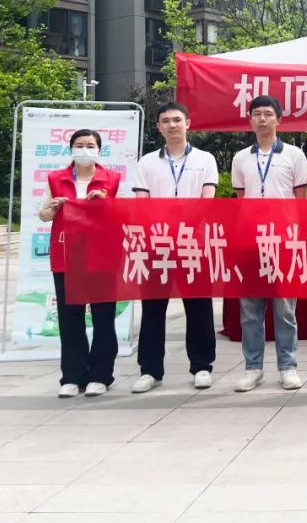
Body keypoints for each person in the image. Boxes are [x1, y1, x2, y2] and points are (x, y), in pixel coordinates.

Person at [130, 102, 219, 393]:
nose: (172, 125)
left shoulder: (205, 159)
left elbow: (207, 200)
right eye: (166, 121)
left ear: (188, 123)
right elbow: (142, 203)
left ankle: (202, 366)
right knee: (153, 308)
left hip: (194, 243)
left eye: (177, 120)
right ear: (158, 127)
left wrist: (186, 227)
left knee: (199, 306)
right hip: (157, 244)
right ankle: (150, 370)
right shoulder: (146, 163)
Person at [231, 95, 307, 392]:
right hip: (251, 241)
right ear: (250, 119)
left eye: (267, 114)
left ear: (279, 120)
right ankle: (253, 368)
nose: (262, 119)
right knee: (250, 309)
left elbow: (301, 202)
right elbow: (241, 201)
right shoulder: (241, 158)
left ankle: (288, 367)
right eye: (257, 114)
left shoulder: (294, 155)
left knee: (285, 308)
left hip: (284, 241)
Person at [38, 129, 123, 397]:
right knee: (70, 318)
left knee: (103, 317)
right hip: (67, 255)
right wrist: (52, 209)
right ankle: (73, 376)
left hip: (101, 256)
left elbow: (121, 215)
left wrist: (105, 203)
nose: (84, 150)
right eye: (79, 145)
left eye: (90, 145)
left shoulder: (112, 179)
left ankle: (101, 375)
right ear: (71, 149)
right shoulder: (56, 178)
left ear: (99, 150)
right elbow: (43, 214)